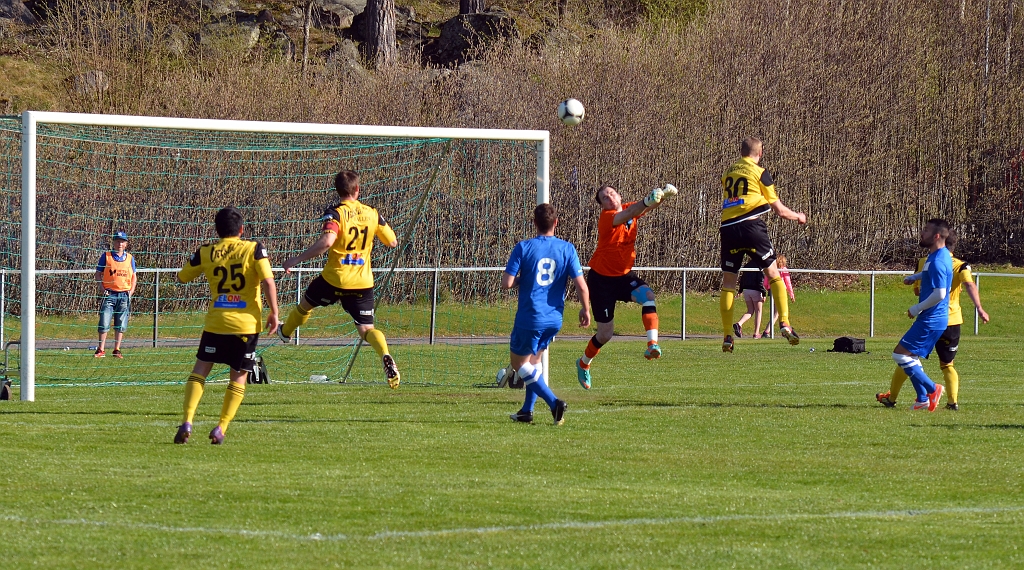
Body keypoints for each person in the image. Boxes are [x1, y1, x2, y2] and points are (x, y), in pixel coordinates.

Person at [279, 170, 402, 388]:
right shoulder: (372, 213)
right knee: (367, 330)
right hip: (362, 283)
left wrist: (296, 259)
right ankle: (385, 354)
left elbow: (327, 241)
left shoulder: (335, 213)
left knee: (305, 306)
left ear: (337, 191)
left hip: (334, 280)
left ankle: (285, 332)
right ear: (357, 190)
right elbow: (392, 242)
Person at [174, 207, 280, 444]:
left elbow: (182, 277)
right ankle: (221, 427)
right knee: (238, 376)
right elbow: (268, 281)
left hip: (216, 323)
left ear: (217, 230)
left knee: (200, 369)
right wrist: (274, 311)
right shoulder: (253, 249)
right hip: (246, 326)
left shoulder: (206, 252)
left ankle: (188, 420)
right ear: (241, 230)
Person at [574, 183, 677, 390]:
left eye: (612, 193)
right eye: (604, 197)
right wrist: (648, 200)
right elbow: (633, 210)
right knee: (605, 334)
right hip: (601, 281)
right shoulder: (607, 218)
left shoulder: (630, 208)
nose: (610, 197)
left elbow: (643, 208)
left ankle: (652, 345)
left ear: (619, 195)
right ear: (603, 205)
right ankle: (584, 362)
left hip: (623, 277)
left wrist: (663, 195)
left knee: (648, 295)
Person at [876, 230, 989, 410]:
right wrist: (980, 308)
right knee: (945, 365)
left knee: (906, 356)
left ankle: (900, 397)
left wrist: (918, 291)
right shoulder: (961, 265)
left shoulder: (925, 261)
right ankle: (950, 402)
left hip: (930, 316)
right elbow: (968, 284)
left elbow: (918, 291)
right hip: (951, 320)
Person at [718, 137, 807, 353]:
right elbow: (780, 210)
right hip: (751, 227)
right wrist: (798, 216)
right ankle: (784, 322)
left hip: (728, 228)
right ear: (761, 152)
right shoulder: (760, 173)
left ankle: (727, 335)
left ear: (741, 152)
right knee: (774, 274)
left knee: (729, 283)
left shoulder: (728, 172)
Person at [504, 203, 590, 425]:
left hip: (530, 316)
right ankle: (526, 411)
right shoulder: (567, 248)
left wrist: (525, 278)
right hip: (554, 318)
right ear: (556, 223)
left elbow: (507, 283)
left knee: (518, 364)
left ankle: (554, 403)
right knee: (535, 361)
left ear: (534, 223)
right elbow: (581, 285)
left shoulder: (524, 247)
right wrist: (585, 309)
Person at [875, 218, 953, 412]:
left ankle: (932, 389)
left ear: (936, 236)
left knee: (899, 355)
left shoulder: (937, 261)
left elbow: (940, 293)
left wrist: (916, 308)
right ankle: (922, 400)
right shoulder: (937, 255)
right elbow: (930, 274)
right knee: (911, 357)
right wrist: (915, 277)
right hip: (933, 318)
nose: (921, 233)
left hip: (931, 318)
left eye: (925, 230)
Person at [94, 231, 137, 358]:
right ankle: (101, 349)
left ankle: (117, 349)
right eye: (118, 241)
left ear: (126, 244)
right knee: (104, 321)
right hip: (109, 295)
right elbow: (98, 273)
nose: (120, 244)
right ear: (114, 243)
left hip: (124, 295)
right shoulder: (106, 256)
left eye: (122, 241)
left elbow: (134, 276)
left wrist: (131, 291)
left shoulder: (130, 258)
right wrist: (102, 288)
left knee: (121, 323)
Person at [761, 254, 795, 337]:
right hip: (780, 291)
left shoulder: (771, 269)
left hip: (771, 289)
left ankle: (783, 330)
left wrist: (768, 288)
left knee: (776, 312)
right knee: (777, 313)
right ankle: (767, 331)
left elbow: (765, 282)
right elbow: (787, 282)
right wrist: (791, 293)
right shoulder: (784, 270)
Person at [733, 259, 767, 339]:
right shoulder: (759, 266)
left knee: (750, 311)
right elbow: (760, 281)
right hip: (755, 290)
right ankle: (756, 333)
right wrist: (764, 293)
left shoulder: (747, 265)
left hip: (746, 291)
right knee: (758, 311)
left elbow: (742, 279)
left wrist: (740, 290)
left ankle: (739, 324)